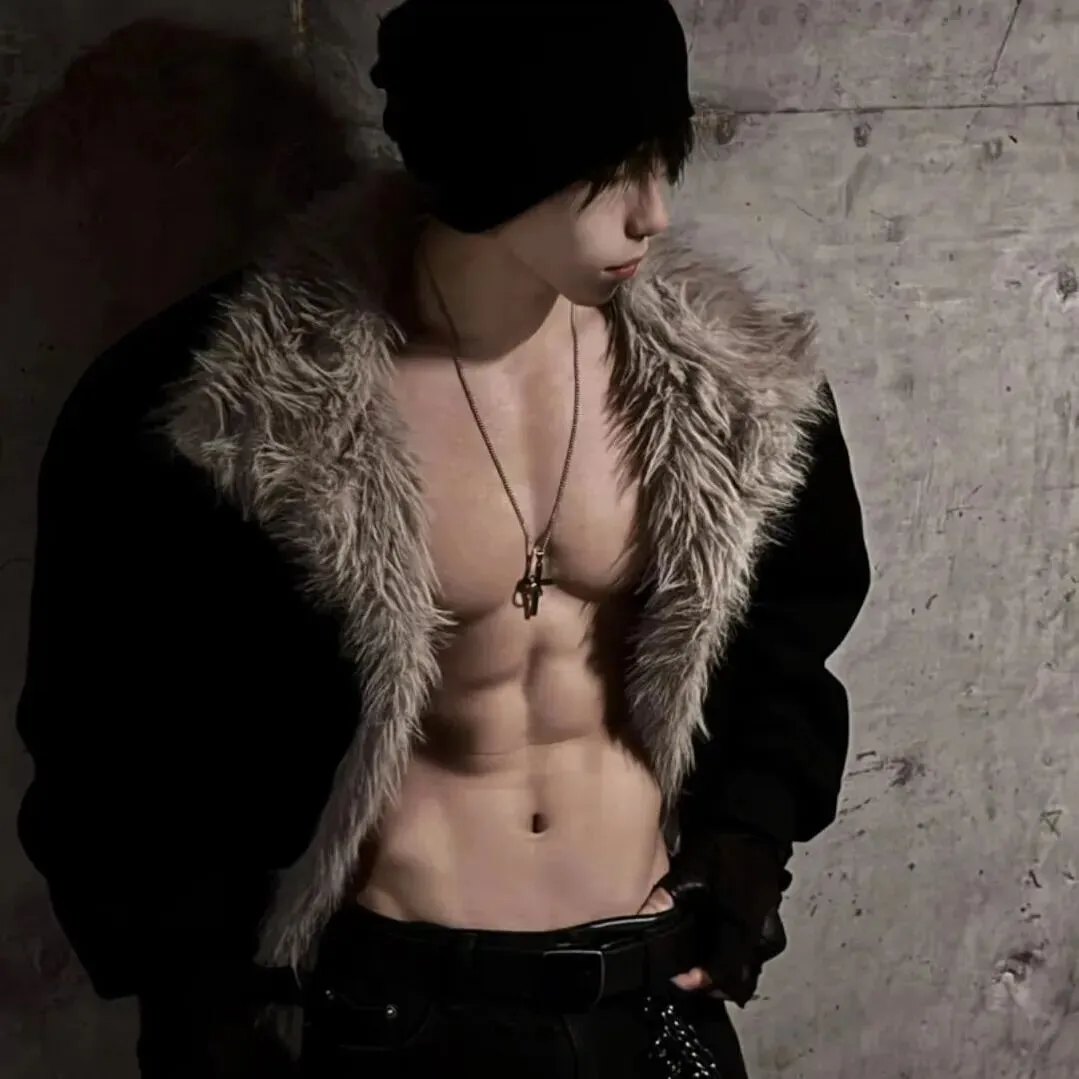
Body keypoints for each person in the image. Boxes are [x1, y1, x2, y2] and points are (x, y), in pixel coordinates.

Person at [15, 1, 872, 1076]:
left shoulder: (738, 392)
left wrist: (748, 836)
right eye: (604, 170)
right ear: (497, 150)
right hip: (388, 1016)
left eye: (661, 157)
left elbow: (788, 632)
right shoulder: (220, 408)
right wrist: (194, 993)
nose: (651, 212)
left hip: (650, 1002)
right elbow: (104, 724)